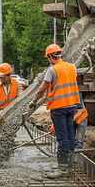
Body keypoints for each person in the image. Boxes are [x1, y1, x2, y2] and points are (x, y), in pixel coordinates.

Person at [29, 44, 80, 178]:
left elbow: (42, 89)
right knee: (70, 137)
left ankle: (62, 170)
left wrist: (34, 101)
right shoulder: (72, 67)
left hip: (58, 108)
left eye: (48, 58)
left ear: (51, 57)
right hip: (71, 107)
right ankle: (69, 169)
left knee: (62, 138)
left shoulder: (52, 70)